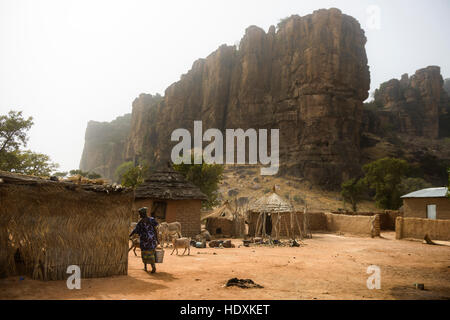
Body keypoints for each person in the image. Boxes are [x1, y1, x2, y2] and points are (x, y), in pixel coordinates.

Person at [129, 207, 159, 273]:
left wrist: (129, 236)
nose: (140, 215)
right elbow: (155, 230)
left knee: (144, 254)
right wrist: (157, 239)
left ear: (142, 214)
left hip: (144, 241)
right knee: (151, 254)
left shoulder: (140, 222)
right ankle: (153, 267)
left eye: (140, 214)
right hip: (152, 240)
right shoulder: (151, 220)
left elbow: (135, 230)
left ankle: (145, 267)